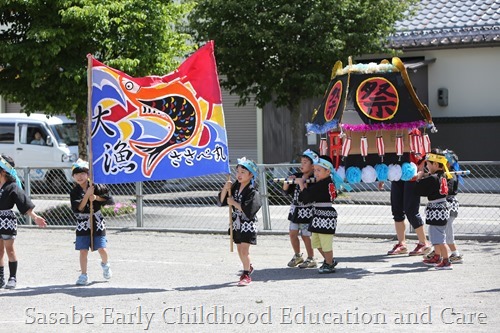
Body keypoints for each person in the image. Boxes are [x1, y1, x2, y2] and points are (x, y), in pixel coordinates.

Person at [0, 154, 47, 289]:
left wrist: (35, 217)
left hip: (7, 219)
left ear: (3, 171)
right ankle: (0, 278)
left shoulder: (13, 186)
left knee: (10, 249)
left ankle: (12, 277)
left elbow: (23, 203)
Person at [218, 157, 261, 286]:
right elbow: (222, 201)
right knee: (239, 249)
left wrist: (234, 203)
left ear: (251, 174)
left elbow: (249, 210)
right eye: (238, 172)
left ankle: (246, 274)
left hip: (247, 223)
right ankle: (248, 266)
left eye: (243, 172)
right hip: (236, 223)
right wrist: (226, 188)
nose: (239, 175)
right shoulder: (235, 187)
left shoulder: (252, 191)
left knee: (244, 250)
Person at [70, 159, 114, 285]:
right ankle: (84, 275)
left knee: (101, 247)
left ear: (88, 174)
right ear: (73, 176)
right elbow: (79, 207)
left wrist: (95, 197)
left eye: (82, 173)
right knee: (83, 250)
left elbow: (108, 199)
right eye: (76, 174)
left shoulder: (96, 185)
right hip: (83, 221)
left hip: (97, 220)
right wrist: (86, 196)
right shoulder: (74, 191)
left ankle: (105, 264)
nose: (79, 176)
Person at [296, 155, 339, 274]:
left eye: (319, 170)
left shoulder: (324, 184)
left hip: (325, 215)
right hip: (318, 214)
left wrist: (301, 184)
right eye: (315, 170)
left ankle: (329, 264)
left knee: (325, 242)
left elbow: (306, 197)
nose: (316, 173)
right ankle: (329, 260)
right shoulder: (324, 183)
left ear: (328, 171)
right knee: (316, 242)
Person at [386, 152, 431, 256]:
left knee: (411, 210)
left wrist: (421, 170)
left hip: (411, 172)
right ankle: (402, 244)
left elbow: (423, 153)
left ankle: (424, 243)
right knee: (396, 210)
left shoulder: (415, 136)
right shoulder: (394, 136)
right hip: (397, 171)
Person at [424, 149, 463, 263]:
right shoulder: (444, 175)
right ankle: (438, 252)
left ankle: (455, 253)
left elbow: (446, 191)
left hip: (449, 204)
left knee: (446, 230)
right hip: (445, 204)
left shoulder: (450, 176)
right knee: (439, 230)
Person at [417, 149, 453, 270]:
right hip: (440, 208)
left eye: (428, 164)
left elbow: (420, 189)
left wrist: (420, 177)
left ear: (436, 164)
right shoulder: (444, 176)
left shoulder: (433, 178)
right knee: (435, 235)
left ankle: (446, 261)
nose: (427, 166)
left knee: (439, 238)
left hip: (437, 209)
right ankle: (437, 256)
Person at [283, 149, 317, 269]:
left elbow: (307, 194)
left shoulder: (314, 178)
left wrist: (302, 182)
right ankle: (297, 255)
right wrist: (289, 179)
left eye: (305, 162)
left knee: (305, 235)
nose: (302, 165)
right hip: (295, 210)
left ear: (313, 166)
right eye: (301, 162)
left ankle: (311, 257)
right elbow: (285, 190)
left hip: (307, 211)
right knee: (292, 233)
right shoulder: (297, 176)